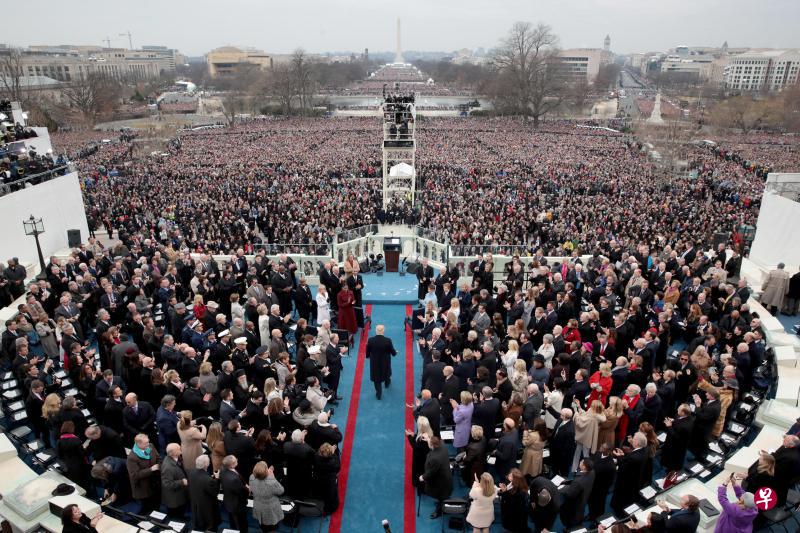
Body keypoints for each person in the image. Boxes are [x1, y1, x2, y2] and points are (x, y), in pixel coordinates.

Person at [126, 433, 161, 514]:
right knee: (147, 507)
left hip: (154, 482)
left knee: (156, 504)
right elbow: (134, 475)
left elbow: (158, 458)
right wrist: (151, 469)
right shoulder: (132, 458)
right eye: (146, 443)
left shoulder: (150, 446)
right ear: (138, 444)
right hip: (143, 487)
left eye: (148, 442)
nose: (148, 444)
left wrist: (159, 464)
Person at [420, 436, 452, 519]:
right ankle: (441, 502)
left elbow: (431, 472)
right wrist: (428, 440)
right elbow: (434, 449)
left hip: (440, 482)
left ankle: (439, 511)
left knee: (441, 496)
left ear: (432, 444)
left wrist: (423, 477)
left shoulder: (434, 458)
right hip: (446, 476)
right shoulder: (443, 446)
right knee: (442, 495)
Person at [187, 455, 221, 532]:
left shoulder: (191, 472)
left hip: (196, 503)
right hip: (207, 508)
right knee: (210, 527)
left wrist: (211, 478)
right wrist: (217, 479)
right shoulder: (208, 480)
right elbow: (215, 492)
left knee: (199, 524)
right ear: (207, 464)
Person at [560, 457, 595, 528]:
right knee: (579, 513)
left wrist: (561, 490)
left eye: (582, 462)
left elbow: (569, 495)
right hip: (584, 499)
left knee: (571, 520)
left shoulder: (578, 482)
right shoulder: (592, 472)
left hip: (574, 506)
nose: (580, 462)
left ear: (584, 467)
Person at [250, 460, 285, 532]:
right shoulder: (271, 482)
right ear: (266, 471)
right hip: (270, 510)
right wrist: (272, 476)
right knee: (272, 528)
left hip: (259, 506)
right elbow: (281, 491)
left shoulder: (252, 477)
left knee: (263, 526)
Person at [366, 324, 397, 399]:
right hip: (385, 361)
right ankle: (387, 383)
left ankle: (378, 394)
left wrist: (368, 356)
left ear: (376, 331)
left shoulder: (370, 340)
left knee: (376, 378)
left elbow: (367, 352)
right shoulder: (388, 340)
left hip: (374, 362)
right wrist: (395, 352)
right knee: (386, 372)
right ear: (383, 331)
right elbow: (393, 352)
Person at [220, 455, 249, 533]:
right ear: (232, 465)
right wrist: (247, 489)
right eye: (236, 460)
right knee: (241, 522)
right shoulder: (234, 479)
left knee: (232, 519)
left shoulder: (223, 470)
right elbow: (242, 492)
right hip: (237, 504)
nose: (237, 459)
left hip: (229, 500)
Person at [161, 443, 189, 519]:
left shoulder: (176, 457)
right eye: (179, 449)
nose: (181, 449)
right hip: (174, 498)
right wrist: (182, 482)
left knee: (181, 511)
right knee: (176, 515)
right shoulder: (167, 467)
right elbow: (167, 484)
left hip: (180, 493)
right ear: (172, 453)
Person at [406, 416, 433, 491]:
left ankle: (420, 485)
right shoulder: (429, 432)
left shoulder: (422, 439)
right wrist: (413, 436)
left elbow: (415, 446)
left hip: (420, 459)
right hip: (426, 457)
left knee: (419, 472)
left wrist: (409, 437)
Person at [497, 468, 529, 533]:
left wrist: (505, 492)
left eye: (511, 475)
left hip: (515, 519)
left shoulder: (520, 493)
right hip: (512, 517)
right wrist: (503, 491)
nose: (508, 475)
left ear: (516, 479)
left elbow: (511, 503)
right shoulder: (512, 484)